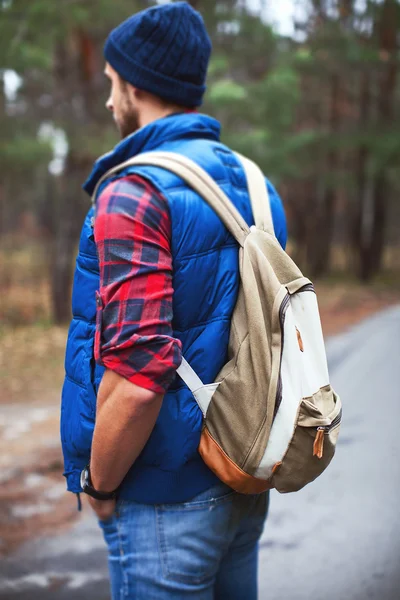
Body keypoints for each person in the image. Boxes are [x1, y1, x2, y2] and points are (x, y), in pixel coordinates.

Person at [60, 2, 287, 598]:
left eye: (112, 84)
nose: (110, 102)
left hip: (165, 502)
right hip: (243, 471)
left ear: (135, 86)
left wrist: (102, 484)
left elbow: (140, 379)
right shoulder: (256, 183)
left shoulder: (135, 189)